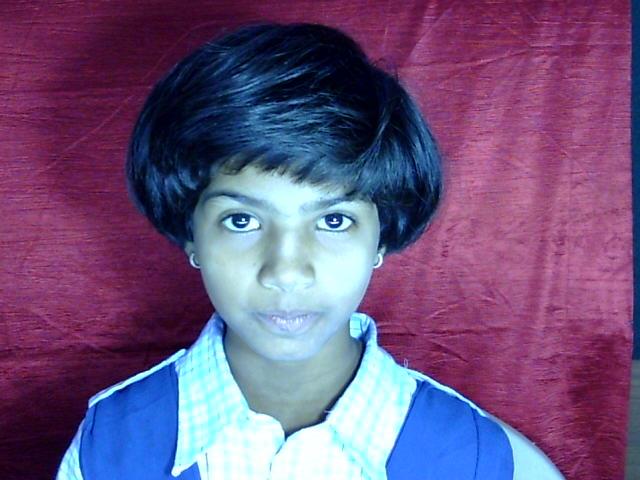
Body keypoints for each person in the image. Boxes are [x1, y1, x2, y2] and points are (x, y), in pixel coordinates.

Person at [56, 22, 563, 479]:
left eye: (334, 221)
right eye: (242, 220)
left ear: (381, 236)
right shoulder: (110, 447)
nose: (287, 271)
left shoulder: (481, 461)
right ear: (192, 233)